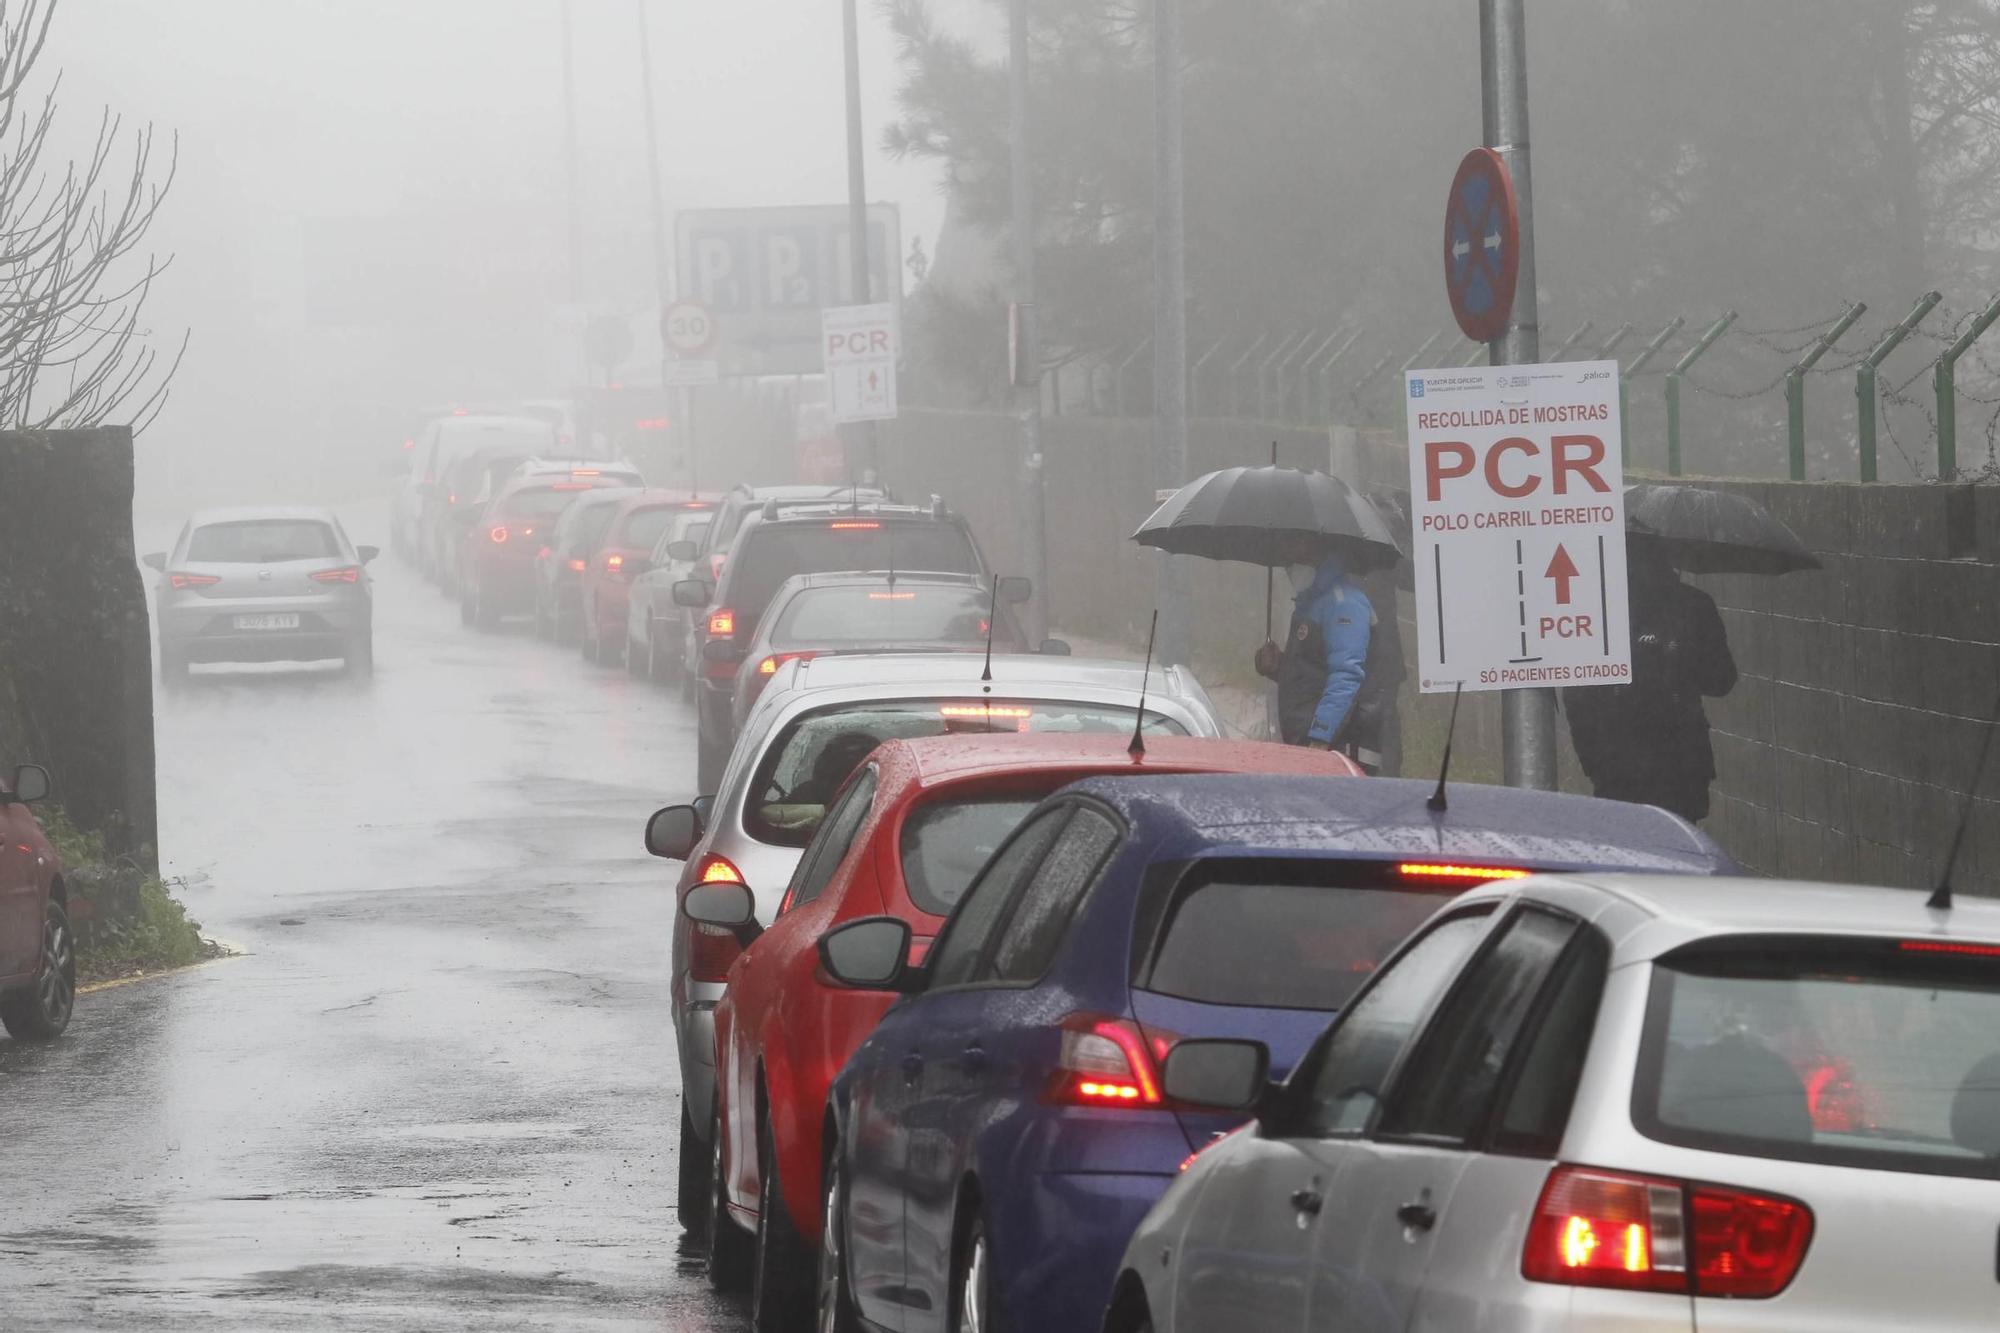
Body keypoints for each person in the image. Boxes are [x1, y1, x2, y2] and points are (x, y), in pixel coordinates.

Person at [1563, 544, 1737, 821]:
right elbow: (1722, 680)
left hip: (1626, 763)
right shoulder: (1693, 605)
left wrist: (1594, 759)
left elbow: (1578, 696)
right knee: (1677, 851)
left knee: (1628, 849)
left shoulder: (1601, 609)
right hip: (1677, 761)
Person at [1255, 543, 1379, 765]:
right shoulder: (1311, 603)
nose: (1290, 567)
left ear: (1317, 554)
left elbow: (1346, 675)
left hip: (1338, 747)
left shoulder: (1345, 604)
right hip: (1308, 740)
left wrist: (1321, 737)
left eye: (1295, 559)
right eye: (1286, 562)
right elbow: (1311, 671)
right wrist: (1278, 665)